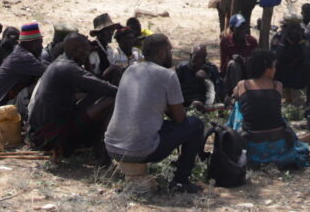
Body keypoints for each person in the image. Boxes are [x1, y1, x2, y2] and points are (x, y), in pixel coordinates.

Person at [103, 33, 205, 194]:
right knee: (196, 125)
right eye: (170, 51)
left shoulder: (130, 70)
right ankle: (181, 181)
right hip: (139, 150)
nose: (172, 55)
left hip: (112, 147)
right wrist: (169, 108)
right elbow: (180, 119)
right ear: (162, 53)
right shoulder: (168, 75)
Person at [25, 34, 118, 156]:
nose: (88, 53)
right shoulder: (67, 67)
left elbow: (94, 86)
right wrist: (127, 93)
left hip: (42, 130)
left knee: (97, 96)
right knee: (112, 99)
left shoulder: (61, 62)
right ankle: (102, 147)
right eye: (86, 50)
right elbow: (103, 87)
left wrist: (86, 62)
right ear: (75, 49)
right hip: (51, 135)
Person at [231, 48, 310, 169]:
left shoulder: (243, 85)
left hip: (252, 143)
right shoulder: (277, 85)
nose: (275, 70)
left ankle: (232, 136)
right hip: (279, 142)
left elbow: (235, 96)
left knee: (239, 105)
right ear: (267, 69)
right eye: (274, 67)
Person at [0, 23, 48, 112]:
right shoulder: (23, 57)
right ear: (32, 43)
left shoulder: (20, 52)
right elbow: (49, 72)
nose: (41, 47)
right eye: (39, 43)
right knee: (43, 83)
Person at [271, 15, 310, 105]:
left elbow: (307, 55)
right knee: (276, 65)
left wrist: (301, 39)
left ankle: (309, 100)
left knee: (309, 66)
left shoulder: (302, 37)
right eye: (292, 28)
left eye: (297, 28)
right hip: (283, 66)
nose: (295, 30)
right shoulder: (278, 37)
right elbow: (277, 55)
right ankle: (284, 97)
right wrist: (283, 38)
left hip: (298, 66)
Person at [176, 44, 223, 112]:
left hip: (205, 104)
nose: (199, 61)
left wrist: (207, 79)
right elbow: (175, 90)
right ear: (191, 56)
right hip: (186, 104)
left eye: (202, 58)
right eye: (196, 57)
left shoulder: (211, 69)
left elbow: (220, 91)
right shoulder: (182, 68)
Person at [220, 14, 258, 93]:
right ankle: (237, 93)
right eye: (239, 28)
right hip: (232, 78)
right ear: (232, 29)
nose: (243, 31)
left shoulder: (252, 41)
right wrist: (231, 59)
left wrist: (245, 60)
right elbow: (223, 68)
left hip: (248, 76)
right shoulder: (226, 41)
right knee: (234, 64)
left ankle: (252, 92)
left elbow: (258, 63)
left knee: (251, 62)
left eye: (244, 27)